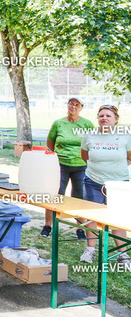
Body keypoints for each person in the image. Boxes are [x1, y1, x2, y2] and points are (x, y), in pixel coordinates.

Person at [79, 104, 131, 265]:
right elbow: (85, 156)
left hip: (119, 183)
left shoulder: (125, 135)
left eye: (108, 116)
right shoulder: (89, 135)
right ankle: (90, 250)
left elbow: (130, 157)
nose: (104, 118)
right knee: (91, 216)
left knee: (117, 217)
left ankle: (122, 254)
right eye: (101, 116)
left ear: (116, 119)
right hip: (93, 181)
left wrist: (115, 172)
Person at [40, 97, 93, 239]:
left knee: (79, 198)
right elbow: (50, 142)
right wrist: (55, 157)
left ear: (81, 108)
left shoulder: (87, 124)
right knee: (54, 195)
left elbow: (92, 142)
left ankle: (80, 229)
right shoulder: (58, 123)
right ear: (68, 105)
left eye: (77, 105)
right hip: (60, 165)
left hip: (80, 166)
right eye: (71, 104)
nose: (73, 107)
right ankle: (48, 226)